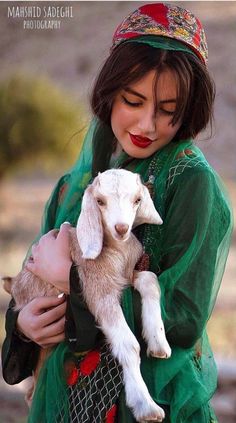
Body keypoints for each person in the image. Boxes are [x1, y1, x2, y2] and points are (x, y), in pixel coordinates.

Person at [2, 3, 233, 423]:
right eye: (133, 100)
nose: (146, 124)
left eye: (168, 110)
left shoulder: (190, 183)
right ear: (109, 92)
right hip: (68, 406)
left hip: (151, 403)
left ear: (188, 110)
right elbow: (35, 282)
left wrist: (72, 281)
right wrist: (23, 326)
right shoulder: (76, 187)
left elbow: (182, 319)